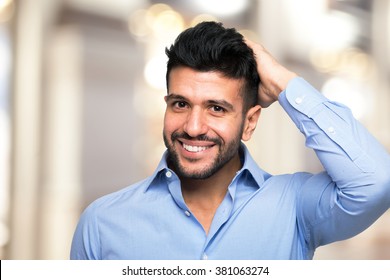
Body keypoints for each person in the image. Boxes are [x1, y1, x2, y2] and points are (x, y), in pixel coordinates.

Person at [70, 21, 390, 260]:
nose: (194, 127)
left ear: (249, 122)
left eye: (216, 108)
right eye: (180, 104)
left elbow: (376, 182)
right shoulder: (101, 224)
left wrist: (283, 81)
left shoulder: (294, 207)